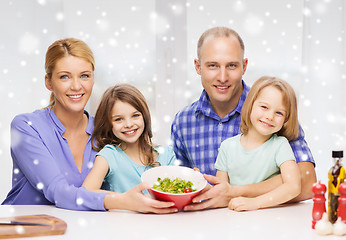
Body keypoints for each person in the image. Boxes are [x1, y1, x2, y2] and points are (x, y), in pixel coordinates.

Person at [2, 38, 177, 214]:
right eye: (64, 77)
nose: (77, 86)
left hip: (81, 230)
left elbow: (130, 170)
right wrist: (122, 201)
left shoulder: (105, 130)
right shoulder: (27, 127)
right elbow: (57, 191)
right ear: (48, 82)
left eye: (84, 76)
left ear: (93, 78)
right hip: (25, 228)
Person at [170, 27, 317, 210]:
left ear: (244, 66)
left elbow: (307, 181)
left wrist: (236, 192)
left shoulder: (268, 113)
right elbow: (178, 188)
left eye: (231, 65)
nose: (222, 77)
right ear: (198, 67)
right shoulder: (183, 123)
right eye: (212, 65)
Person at [215, 76, 301, 211]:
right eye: (264, 107)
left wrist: (255, 203)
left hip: (269, 218)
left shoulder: (280, 145)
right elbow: (221, 192)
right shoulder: (227, 147)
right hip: (234, 217)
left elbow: (293, 186)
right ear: (250, 105)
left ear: (286, 119)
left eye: (279, 113)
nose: (270, 116)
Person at [82, 84, 176, 193]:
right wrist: (127, 200)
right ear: (108, 124)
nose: (128, 124)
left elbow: (177, 192)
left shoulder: (167, 155)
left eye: (135, 116)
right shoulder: (109, 156)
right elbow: (86, 192)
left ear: (144, 116)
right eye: (118, 119)